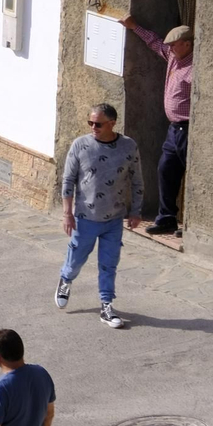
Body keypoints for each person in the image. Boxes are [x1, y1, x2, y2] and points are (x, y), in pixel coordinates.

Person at [56, 103, 141, 328]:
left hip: (114, 219)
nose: (93, 127)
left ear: (112, 123)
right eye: (90, 123)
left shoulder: (128, 146)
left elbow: (137, 180)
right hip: (85, 218)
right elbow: (68, 180)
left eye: (99, 124)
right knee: (76, 260)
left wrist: (136, 211)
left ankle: (106, 305)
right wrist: (67, 214)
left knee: (109, 264)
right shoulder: (81, 145)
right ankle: (65, 280)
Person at [118, 15, 193, 235]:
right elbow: (154, 42)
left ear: (187, 44)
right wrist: (133, 26)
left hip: (189, 129)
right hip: (174, 129)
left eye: (174, 44)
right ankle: (167, 218)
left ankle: (190, 226)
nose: (169, 47)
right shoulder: (173, 55)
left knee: (192, 175)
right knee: (165, 170)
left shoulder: (194, 67)